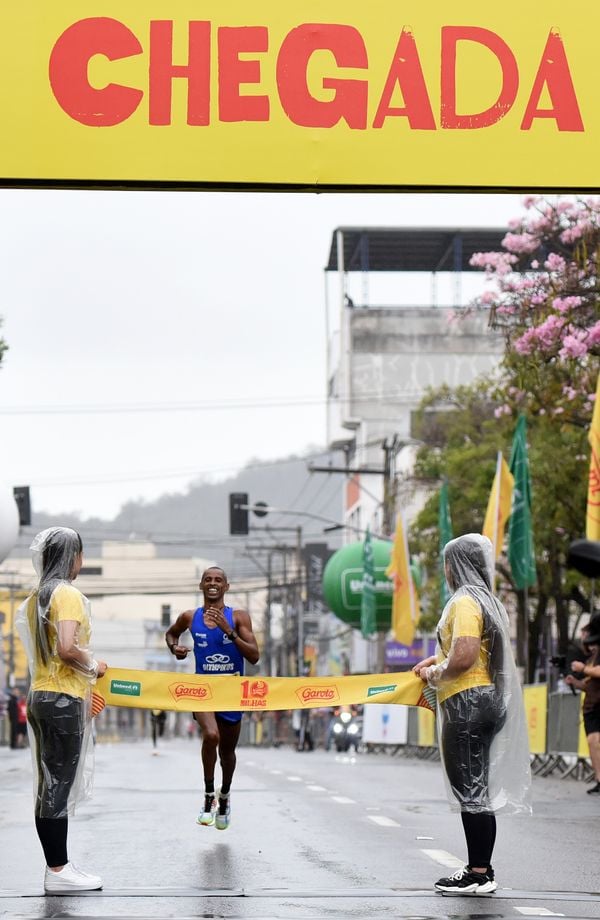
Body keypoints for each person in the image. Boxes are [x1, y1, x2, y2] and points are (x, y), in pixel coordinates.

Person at [413, 533, 531, 895]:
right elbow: (477, 651)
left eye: (446, 564)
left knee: (472, 791)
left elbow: (463, 658)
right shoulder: (489, 601)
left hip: (468, 702)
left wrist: (436, 673)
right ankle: (482, 869)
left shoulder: (464, 602)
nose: (446, 571)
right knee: (476, 787)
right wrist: (437, 658)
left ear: (454, 566)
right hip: (487, 700)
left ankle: (478, 873)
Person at [15, 527, 108, 893]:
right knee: (58, 785)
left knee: (48, 784)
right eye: (80, 555)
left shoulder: (36, 596)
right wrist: (95, 666)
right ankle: (58, 870)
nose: (81, 563)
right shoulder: (66, 594)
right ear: (73, 557)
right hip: (62, 699)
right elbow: (67, 649)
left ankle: (58, 866)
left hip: (40, 695)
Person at [165, 566, 259, 829]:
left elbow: (254, 656)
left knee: (227, 753)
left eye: (218, 580)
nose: (213, 583)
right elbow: (171, 633)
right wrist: (175, 648)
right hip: (202, 691)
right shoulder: (189, 617)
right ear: (201, 586)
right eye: (208, 580)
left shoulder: (238, 617)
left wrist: (229, 631)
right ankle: (208, 796)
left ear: (226, 587)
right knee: (211, 736)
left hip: (231, 692)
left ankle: (225, 794)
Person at [565, 615, 600, 794]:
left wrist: (583, 669)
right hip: (592, 707)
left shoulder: (590, 662)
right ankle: (599, 779)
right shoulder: (592, 657)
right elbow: (589, 684)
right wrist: (575, 682)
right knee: (593, 741)